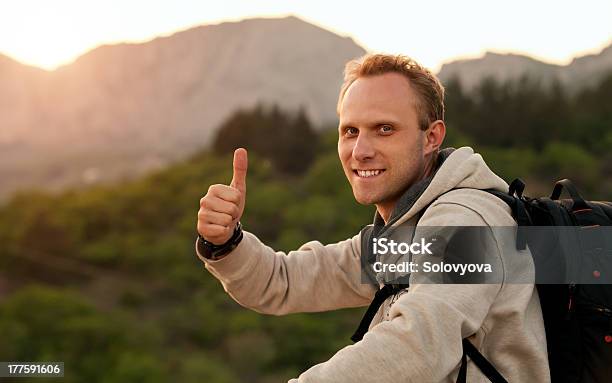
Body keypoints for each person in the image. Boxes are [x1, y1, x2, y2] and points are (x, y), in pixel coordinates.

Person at [195, 54, 550, 382]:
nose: (360, 151)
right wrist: (225, 242)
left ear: (431, 137)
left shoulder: (470, 223)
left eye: (384, 129)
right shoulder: (400, 236)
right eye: (350, 131)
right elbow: (283, 281)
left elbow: (418, 345)